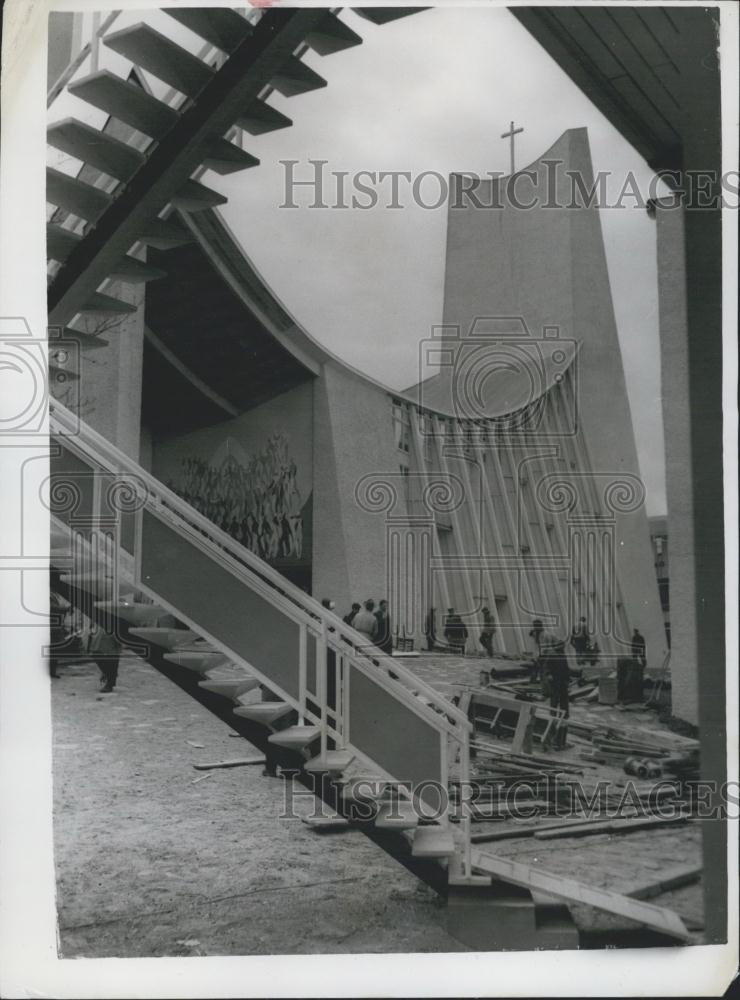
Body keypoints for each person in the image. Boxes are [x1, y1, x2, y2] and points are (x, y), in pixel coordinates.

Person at [540, 633, 569, 749]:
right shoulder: (552, 655)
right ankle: (553, 714)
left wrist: (567, 679)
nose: (562, 648)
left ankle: (564, 714)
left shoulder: (562, 655)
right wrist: (549, 675)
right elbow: (546, 668)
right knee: (554, 699)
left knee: (563, 701)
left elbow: (566, 668)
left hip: (562, 682)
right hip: (555, 682)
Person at [89, 616, 122, 693]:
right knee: (97, 656)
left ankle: (109, 685)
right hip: (101, 644)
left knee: (112, 664)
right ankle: (107, 674)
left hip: (112, 646)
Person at [48, 590, 70, 679]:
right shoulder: (47, 594)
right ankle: (49, 672)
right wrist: (66, 609)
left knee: (55, 650)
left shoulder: (57, 594)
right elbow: (51, 607)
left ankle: (52, 672)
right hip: (50, 626)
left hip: (57, 626)